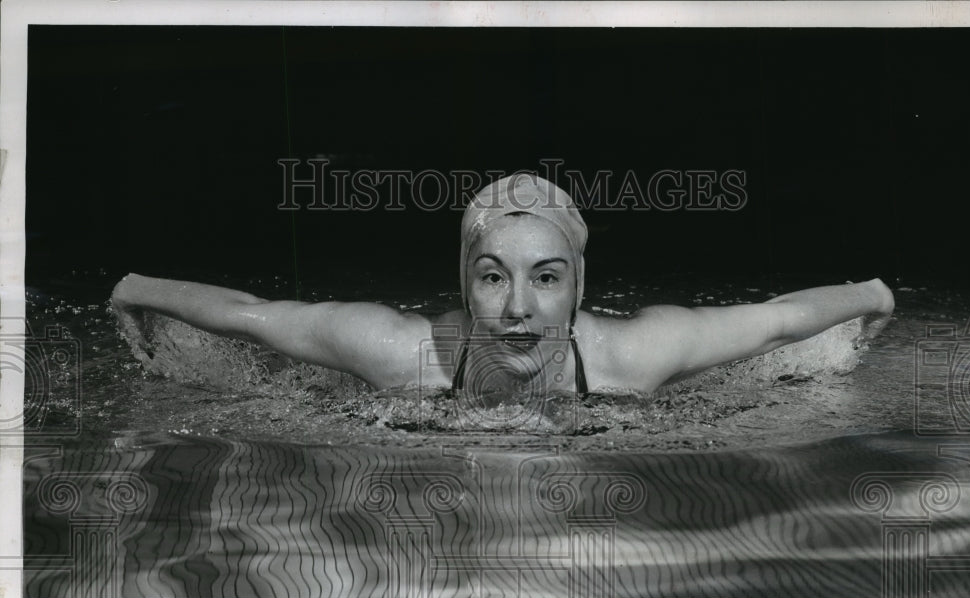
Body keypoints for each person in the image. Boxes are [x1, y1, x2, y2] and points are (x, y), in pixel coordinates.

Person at [112, 173, 894, 396]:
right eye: (493, 277)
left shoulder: (635, 355)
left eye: (546, 279)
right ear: (462, 284)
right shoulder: (399, 351)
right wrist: (134, 286)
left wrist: (872, 296)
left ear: (580, 290)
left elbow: (778, 319)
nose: (519, 307)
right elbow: (251, 318)